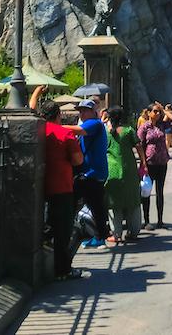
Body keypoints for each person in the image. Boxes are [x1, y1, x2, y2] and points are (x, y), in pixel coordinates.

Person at [31, 87, 85, 280]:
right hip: (61, 186)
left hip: (39, 186)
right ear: (58, 115)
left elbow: (30, 112)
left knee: (45, 223)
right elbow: (78, 160)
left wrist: (36, 92)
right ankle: (62, 270)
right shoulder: (64, 134)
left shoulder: (36, 130)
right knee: (63, 231)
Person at [67, 99, 111, 247]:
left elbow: (78, 130)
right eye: (80, 111)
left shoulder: (95, 123)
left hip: (92, 173)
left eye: (85, 110)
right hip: (91, 172)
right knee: (95, 205)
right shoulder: (90, 125)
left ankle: (97, 236)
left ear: (93, 111)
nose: (82, 113)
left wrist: (53, 126)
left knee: (80, 202)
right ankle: (100, 235)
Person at [104, 107, 145, 244]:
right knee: (133, 200)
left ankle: (116, 234)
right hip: (129, 170)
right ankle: (134, 231)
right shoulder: (128, 131)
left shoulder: (107, 132)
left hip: (112, 170)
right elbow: (139, 146)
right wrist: (144, 163)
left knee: (114, 203)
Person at [138, 104, 171, 229]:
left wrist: (164, 110)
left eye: (159, 112)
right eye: (155, 111)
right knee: (146, 191)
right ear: (149, 112)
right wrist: (143, 163)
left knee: (160, 192)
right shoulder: (144, 127)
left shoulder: (162, 125)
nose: (157, 114)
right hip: (149, 163)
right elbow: (140, 146)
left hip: (162, 162)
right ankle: (146, 220)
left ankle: (160, 220)